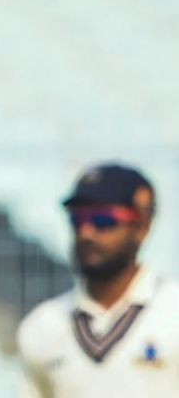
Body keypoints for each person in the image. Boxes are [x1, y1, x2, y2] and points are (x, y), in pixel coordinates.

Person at [17, 163, 179, 397]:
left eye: (103, 220)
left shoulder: (173, 310)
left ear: (142, 226)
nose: (87, 232)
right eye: (77, 220)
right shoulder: (42, 326)